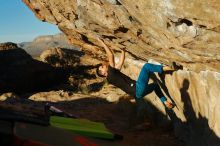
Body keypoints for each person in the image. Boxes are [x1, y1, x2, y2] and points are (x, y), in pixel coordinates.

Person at [96, 38, 179, 109]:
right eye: (102, 67)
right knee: (146, 67)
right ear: (103, 73)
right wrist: (101, 42)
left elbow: (120, 63)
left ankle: (165, 102)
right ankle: (169, 68)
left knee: (155, 86)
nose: (103, 66)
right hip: (137, 88)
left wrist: (123, 51)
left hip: (138, 95)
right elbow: (111, 55)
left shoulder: (111, 76)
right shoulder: (110, 73)